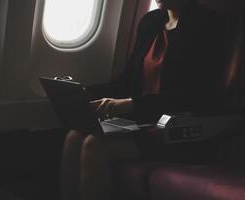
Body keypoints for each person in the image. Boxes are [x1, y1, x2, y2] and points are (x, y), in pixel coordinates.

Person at [60, 0, 228, 199]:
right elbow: (126, 82)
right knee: (73, 136)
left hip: (177, 129)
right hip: (142, 122)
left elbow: (192, 96)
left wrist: (130, 105)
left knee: (93, 146)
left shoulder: (207, 24)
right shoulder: (151, 22)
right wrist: (83, 92)